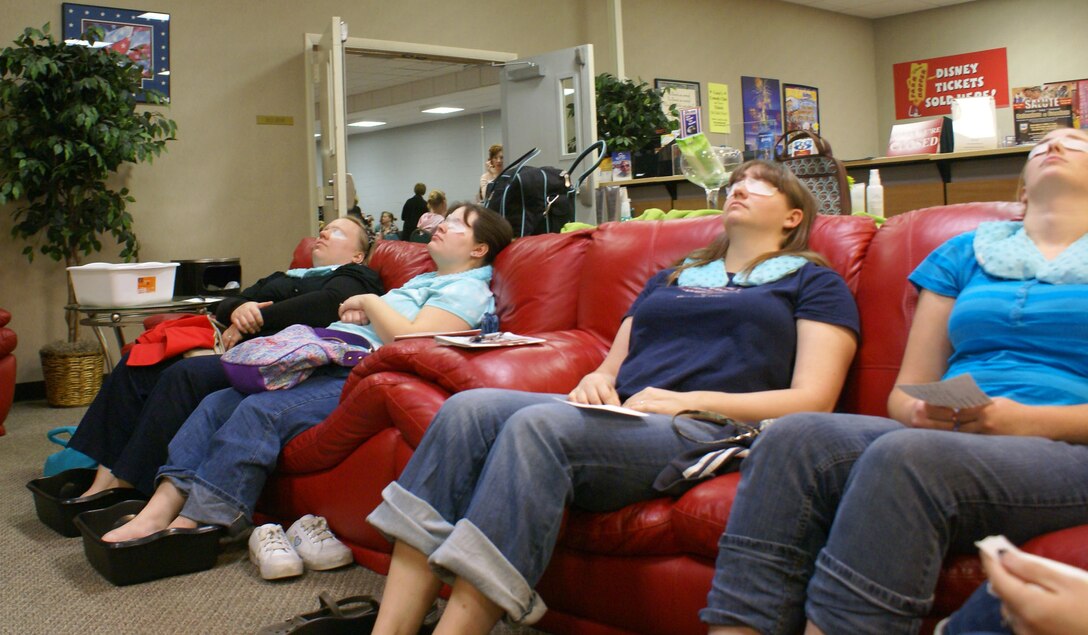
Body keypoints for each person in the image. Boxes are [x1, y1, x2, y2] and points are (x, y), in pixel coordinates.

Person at [364, 160, 861, 634]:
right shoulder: (672, 277)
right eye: (737, 179)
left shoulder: (814, 282)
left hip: (713, 427)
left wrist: (690, 400)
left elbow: (812, 399)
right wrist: (595, 380)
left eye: (762, 183)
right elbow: (612, 363)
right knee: (467, 410)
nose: (741, 186)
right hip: (623, 415)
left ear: (794, 216)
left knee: (538, 426)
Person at [700, 127, 1088, 635]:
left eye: (1077, 143)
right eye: (1040, 147)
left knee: (908, 457)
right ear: (1022, 189)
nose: (1053, 146)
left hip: (1067, 445)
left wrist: (1024, 420)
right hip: (952, 434)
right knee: (796, 434)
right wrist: (921, 411)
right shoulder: (964, 254)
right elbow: (907, 392)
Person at [100, 204, 514, 557]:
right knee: (216, 404)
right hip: (324, 355)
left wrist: (367, 302)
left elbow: (410, 338)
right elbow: (385, 320)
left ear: (479, 248)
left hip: (358, 372)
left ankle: (199, 523)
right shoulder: (427, 280)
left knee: (258, 412)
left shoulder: (469, 289)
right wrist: (360, 313)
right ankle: (158, 509)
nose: (443, 223)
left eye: (459, 223)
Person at [68, 217, 382, 498]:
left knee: (185, 375)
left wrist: (254, 317)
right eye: (325, 228)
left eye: (337, 231)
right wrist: (237, 310)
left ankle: (131, 484)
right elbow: (231, 300)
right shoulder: (286, 275)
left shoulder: (356, 275)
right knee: (138, 360)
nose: (325, 232)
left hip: (280, 363)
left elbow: (325, 305)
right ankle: (102, 477)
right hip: (240, 351)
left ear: (357, 253)